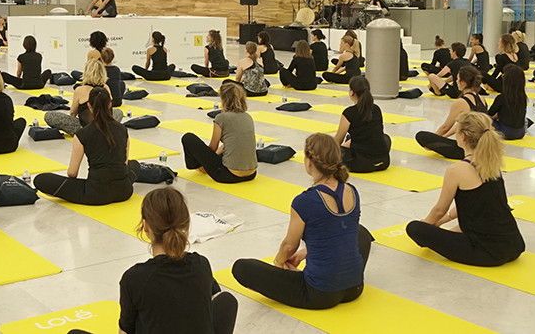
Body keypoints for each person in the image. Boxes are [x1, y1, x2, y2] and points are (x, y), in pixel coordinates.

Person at [231, 133, 373, 310]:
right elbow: (336, 230)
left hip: (320, 293)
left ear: (309, 161)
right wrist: (306, 251)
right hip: (355, 287)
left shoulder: (304, 201)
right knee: (359, 231)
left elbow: (289, 246)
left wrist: (280, 264)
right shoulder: (352, 191)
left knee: (242, 268)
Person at [406, 112, 525, 267]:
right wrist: (442, 222)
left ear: (462, 137)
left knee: (414, 228)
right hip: (514, 245)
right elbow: (476, 204)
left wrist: (427, 225)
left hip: (487, 252)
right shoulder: (492, 163)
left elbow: (439, 210)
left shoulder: (457, 170)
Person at [112, 188, 238, 334]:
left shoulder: (134, 278)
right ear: (186, 223)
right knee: (226, 301)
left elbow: (125, 330)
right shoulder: (201, 264)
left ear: (145, 226)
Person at [34, 89, 138, 205]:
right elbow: (125, 163)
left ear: (89, 106)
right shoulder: (123, 129)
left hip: (96, 194)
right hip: (124, 191)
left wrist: (69, 187)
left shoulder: (82, 134)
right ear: (110, 104)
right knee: (135, 164)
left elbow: (72, 173)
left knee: (41, 179)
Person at [182, 82, 258, 184]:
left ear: (224, 100)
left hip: (228, 175)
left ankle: (198, 167)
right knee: (228, 146)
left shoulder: (221, 118)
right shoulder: (248, 117)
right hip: (251, 174)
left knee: (188, 138)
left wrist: (206, 161)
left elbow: (213, 148)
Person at [416, 67, 485, 160]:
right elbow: (461, 124)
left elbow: (445, 127)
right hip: (482, 146)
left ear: (463, 83)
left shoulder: (461, 102)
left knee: (421, 136)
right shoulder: (482, 99)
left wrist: (435, 139)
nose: (456, 81)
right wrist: (443, 137)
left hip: (465, 151)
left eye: (457, 79)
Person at [45, 58, 122, 135]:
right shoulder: (106, 88)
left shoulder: (80, 90)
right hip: (105, 126)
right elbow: (110, 111)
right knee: (118, 112)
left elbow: (73, 113)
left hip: (84, 128)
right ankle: (106, 129)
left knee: (49, 115)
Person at [334, 77, 390, 173]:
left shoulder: (349, 113)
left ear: (351, 92)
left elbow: (337, 141)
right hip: (384, 162)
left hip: (362, 164)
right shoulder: (376, 109)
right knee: (385, 137)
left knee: (335, 151)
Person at [486, 65, 528, 140]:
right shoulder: (523, 97)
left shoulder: (502, 97)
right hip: (521, 132)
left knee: (482, 121)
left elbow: (489, 114)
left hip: (505, 132)